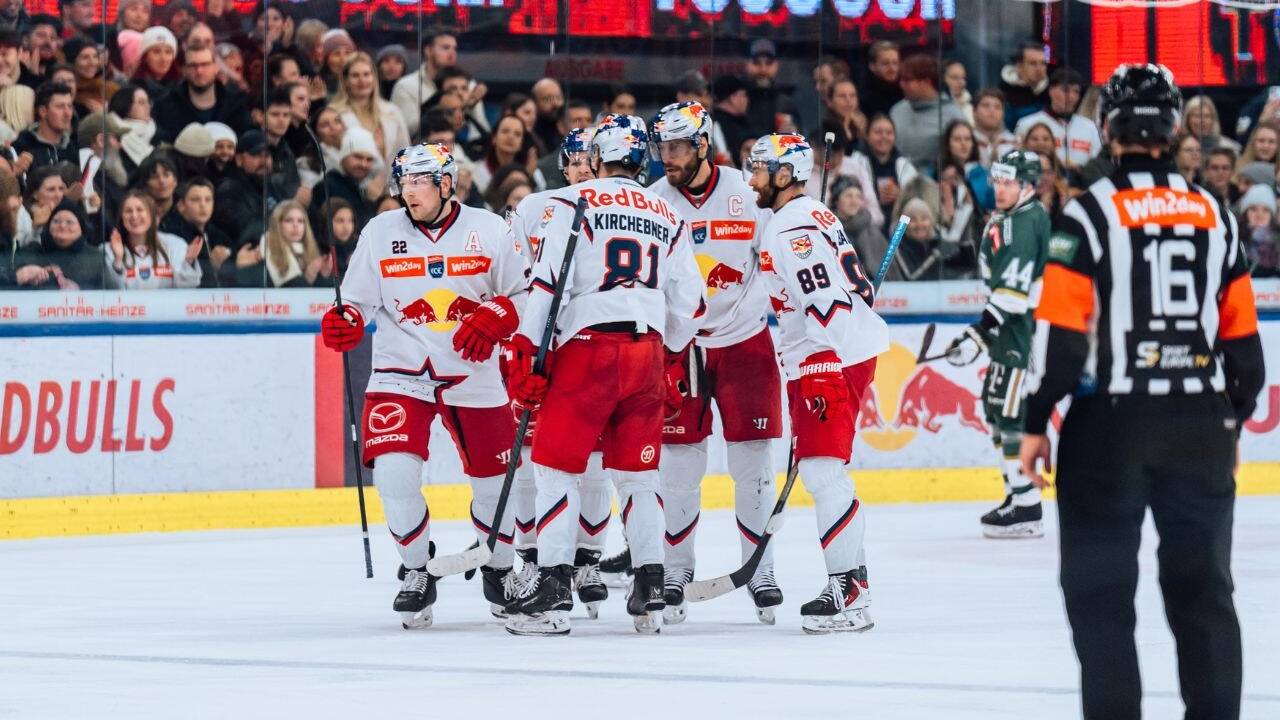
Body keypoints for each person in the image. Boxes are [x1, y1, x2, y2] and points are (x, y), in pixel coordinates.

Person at [1021, 64, 1264, 720]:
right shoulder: (1217, 213)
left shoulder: (1089, 210)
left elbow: (1063, 339)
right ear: (1174, 127)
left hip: (1112, 430)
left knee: (1101, 600)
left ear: (1109, 129)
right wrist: (1228, 422)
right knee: (1205, 598)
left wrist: (1035, 420)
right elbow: (1246, 351)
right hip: (1201, 427)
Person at [504, 114, 705, 637]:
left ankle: (552, 589)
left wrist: (529, 347)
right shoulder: (666, 210)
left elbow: (548, 286)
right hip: (647, 351)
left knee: (555, 470)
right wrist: (671, 357)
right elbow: (692, 303)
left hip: (589, 350)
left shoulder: (574, 202)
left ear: (597, 159)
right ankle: (650, 586)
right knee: (639, 478)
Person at [319, 142, 529, 629]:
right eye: (404, 183)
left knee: (496, 484)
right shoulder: (379, 231)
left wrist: (500, 314)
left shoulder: (488, 229)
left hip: (473, 368)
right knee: (392, 475)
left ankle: (498, 567)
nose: (410, 193)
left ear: (446, 183)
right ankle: (416, 569)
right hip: (401, 368)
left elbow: (524, 291)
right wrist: (345, 318)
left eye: (420, 183)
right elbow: (356, 301)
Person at [646, 101, 783, 625]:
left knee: (752, 467)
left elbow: (777, 263)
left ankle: (761, 568)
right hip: (680, 349)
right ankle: (677, 570)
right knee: (678, 468)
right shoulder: (654, 201)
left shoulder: (746, 195)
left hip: (746, 344)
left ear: (703, 144)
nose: (667, 158)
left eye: (677, 147)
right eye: (661, 149)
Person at [747, 133, 887, 633]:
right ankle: (852, 582)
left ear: (786, 175)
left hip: (828, 358)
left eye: (760, 169)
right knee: (822, 473)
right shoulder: (812, 215)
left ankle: (850, 591)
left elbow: (827, 303)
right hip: (829, 356)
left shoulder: (791, 227)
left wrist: (817, 368)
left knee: (824, 474)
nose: (752, 177)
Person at [504, 127, 613, 618]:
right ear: (563, 167)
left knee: (591, 465)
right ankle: (533, 558)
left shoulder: (619, 209)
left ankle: (586, 559)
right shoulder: (533, 209)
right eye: (577, 162)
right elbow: (516, 277)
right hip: (539, 350)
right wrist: (524, 343)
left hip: (589, 351)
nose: (585, 170)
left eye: (594, 161)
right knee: (532, 460)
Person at [942, 149, 1049, 536]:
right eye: (998, 181)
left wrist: (978, 332)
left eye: (1010, 183)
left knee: (1009, 413)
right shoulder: (1011, 217)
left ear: (1028, 186)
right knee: (996, 408)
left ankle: (1027, 504)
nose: (1001, 190)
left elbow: (1012, 295)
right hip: (1008, 331)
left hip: (1021, 332)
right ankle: (1015, 493)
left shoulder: (1025, 222)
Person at [152, 45, 253, 144]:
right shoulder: (166, 106)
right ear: (184, 70)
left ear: (216, 67)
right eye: (193, 65)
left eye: (205, 64)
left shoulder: (236, 105)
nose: (199, 71)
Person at [103, 190, 202, 289]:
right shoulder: (109, 248)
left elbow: (187, 288)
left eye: (140, 210)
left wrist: (188, 262)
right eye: (128, 211)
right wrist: (118, 260)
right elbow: (113, 292)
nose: (134, 216)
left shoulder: (175, 244)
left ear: (154, 217)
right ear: (122, 218)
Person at [330, 53, 410, 170]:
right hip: (351, 186)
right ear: (345, 81)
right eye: (355, 75)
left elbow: (405, 153)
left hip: (392, 185)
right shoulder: (334, 114)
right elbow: (332, 157)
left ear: (374, 78)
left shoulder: (392, 111)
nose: (362, 80)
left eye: (366, 74)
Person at [1014, 68, 1102, 173]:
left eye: (1076, 91)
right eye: (1065, 90)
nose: (1071, 97)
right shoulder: (1027, 123)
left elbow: (1097, 164)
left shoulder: (1089, 126)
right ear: (1051, 90)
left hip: (1081, 186)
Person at [844, 114, 917, 235]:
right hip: (865, 228)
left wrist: (901, 195)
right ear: (867, 136)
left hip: (900, 229)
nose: (884, 137)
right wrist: (875, 194)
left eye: (889, 133)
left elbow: (916, 198)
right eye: (878, 132)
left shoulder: (904, 164)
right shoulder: (856, 162)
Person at [889, 54, 964, 172]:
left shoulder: (954, 116)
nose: (901, 85)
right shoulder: (896, 111)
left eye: (907, 80)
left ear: (925, 82)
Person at [233, 199, 332, 287]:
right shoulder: (264, 249)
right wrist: (308, 276)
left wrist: (323, 275)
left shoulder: (309, 251)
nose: (295, 225)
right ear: (277, 224)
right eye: (289, 220)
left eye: (301, 221)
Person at [160, 177, 234, 288]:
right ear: (181, 206)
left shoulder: (218, 234)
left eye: (208, 199)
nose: (203, 205)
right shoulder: (172, 236)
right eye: (195, 200)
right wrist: (210, 265)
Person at [15, 200, 104, 289]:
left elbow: (109, 293)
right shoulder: (31, 252)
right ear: (48, 226)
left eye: (69, 222)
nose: (62, 225)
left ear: (81, 229)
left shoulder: (94, 256)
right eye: (56, 221)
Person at [12, 82, 77, 174]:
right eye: (60, 107)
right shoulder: (22, 146)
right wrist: (15, 172)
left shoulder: (73, 147)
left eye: (70, 106)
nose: (67, 113)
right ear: (43, 111)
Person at [106, 83, 156, 177]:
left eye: (148, 102)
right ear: (125, 105)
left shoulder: (155, 132)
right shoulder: (113, 135)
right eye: (141, 102)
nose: (148, 106)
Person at [999, 41, 1049, 130]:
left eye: (1043, 63)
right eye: (1033, 63)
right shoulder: (1003, 94)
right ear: (1019, 66)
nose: (1039, 69)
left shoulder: (1052, 93)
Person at [1237, 183, 1280, 278]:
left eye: (1265, 210)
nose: (1259, 215)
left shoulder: (1277, 244)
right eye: (1253, 209)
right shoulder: (1236, 242)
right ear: (1245, 213)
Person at [972, 89, 1018, 169]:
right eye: (986, 106)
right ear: (974, 111)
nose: (992, 111)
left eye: (997, 107)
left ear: (1003, 113)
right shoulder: (966, 140)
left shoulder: (1014, 143)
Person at [858, 41, 902, 120]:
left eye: (895, 63)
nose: (892, 68)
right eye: (885, 63)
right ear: (872, 66)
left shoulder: (906, 92)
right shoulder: (864, 97)